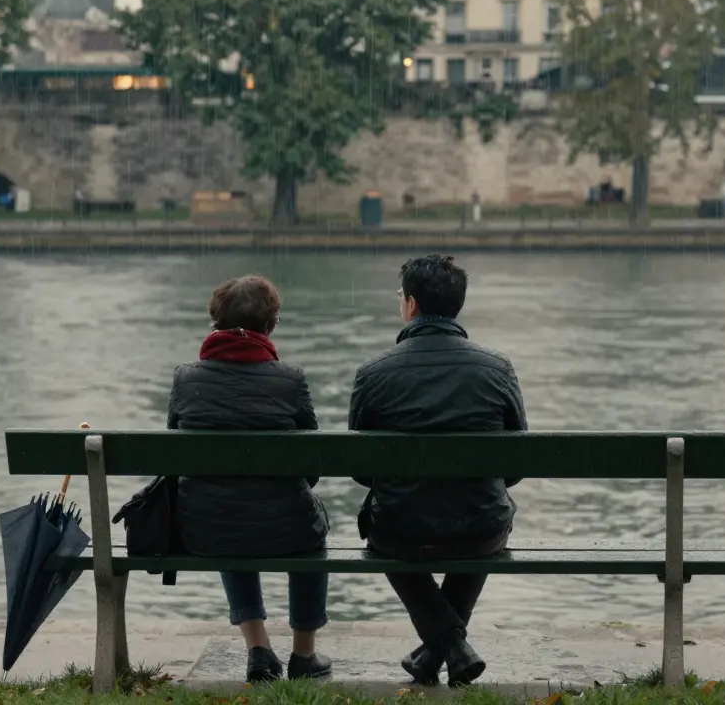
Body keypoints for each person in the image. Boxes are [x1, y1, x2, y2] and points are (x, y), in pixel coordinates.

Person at [348, 254, 527, 687]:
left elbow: (358, 468)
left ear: (410, 305)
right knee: (488, 514)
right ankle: (450, 648)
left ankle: (444, 648)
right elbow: (516, 466)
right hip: (478, 528)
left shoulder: (373, 373)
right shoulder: (496, 368)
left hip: (400, 531)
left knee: (385, 533)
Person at [168, 275, 332, 683]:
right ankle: (304, 655)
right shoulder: (290, 379)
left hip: (205, 528)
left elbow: (174, 451)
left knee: (225, 508)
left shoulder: (186, 379)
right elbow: (311, 461)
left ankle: (258, 650)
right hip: (287, 527)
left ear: (214, 325)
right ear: (271, 325)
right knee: (310, 533)